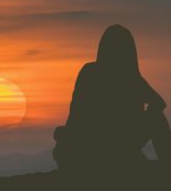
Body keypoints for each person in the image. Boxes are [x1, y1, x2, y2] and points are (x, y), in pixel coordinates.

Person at [53, 24, 171, 188]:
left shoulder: (100, 73)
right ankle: (166, 167)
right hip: (93, 149)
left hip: (104, 148)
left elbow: (159, 103)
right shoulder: (99, 74)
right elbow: (158, 104)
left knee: (155, 118)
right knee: (156, 119)